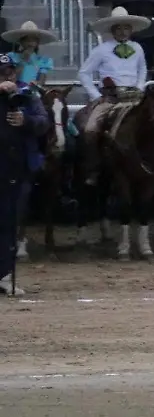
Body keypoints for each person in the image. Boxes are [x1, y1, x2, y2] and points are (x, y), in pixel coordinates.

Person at [77, 7, 150, 186]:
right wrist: (95, 95)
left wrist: (140, 87)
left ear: (131, 30)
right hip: (110, 97)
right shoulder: (102, 49)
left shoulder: (137, 48)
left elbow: (142, 70)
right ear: (112, 30)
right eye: (118, 28)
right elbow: (84, 73)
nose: (123, 32)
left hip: (134, 96)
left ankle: (153, 167)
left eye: (126, 28)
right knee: (90, 130)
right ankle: (93, 169)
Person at [0, 53, 50, 296]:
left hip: (17, 165)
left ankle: (5, 274)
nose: (6, 76)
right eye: (1, 72)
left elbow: (43, 122)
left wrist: (25, 120)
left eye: (9, 71)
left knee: (10, 221)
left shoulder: (27, 94)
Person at [1, 21, 57, 89]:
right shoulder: (11, 57)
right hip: (14, 91)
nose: (30, 43)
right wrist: (22, 60)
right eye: (27, 40)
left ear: (37, 42)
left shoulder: (43, 60)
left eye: (33, 40)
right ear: (21, 41)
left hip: (33, 93)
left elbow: (42, 80)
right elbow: (11, 77)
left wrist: (36, 84)